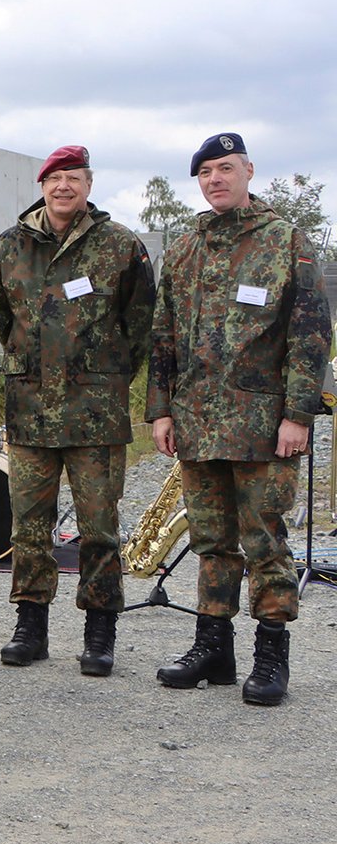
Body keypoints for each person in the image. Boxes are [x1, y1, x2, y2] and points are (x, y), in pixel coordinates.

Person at [148, 133, 331, 706]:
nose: (214, 179)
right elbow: (163, 336)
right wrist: (159, 409)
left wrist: (298, 415)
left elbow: (309, 338)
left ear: (249, 171)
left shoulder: (286, 242)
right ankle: (214, 648)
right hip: (199, 424)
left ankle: (271, 654)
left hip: (263, 427)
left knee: (265, 540)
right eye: (204, 172)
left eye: (225, 168)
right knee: (210, 540)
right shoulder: (184, 247)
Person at [0, 145, 155, 675]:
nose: (64, 187)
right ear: (42, 185)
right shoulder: (12, 244)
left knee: (99, 527)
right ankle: (30, 627)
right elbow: (0, 312)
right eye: (55, 178)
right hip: (31, 410)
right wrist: (28, 362)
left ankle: (99, 632)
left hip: (95, 413)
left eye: (74, 178)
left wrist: (105, 371)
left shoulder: (119, 244)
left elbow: (142, 322)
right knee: (28, 527)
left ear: (89, 184)